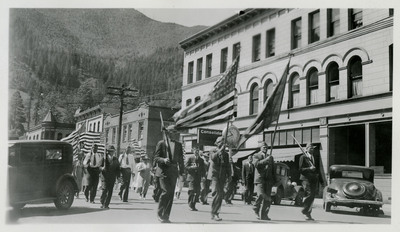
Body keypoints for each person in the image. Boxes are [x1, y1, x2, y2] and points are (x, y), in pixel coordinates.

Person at [154, 126, 184, 223]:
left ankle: (166, 216)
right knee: (166, 191)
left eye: (176, 132)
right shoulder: (161, 143)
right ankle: (160, 214)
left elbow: (181, 160)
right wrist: (163, 160)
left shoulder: (179, 145)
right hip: (163, 171)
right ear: (168, 133)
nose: (175, 134)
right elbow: (156, 158)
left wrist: (182, 172)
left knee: (171, 194)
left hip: (173, 171)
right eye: (173, 132)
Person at [208, 136, 232, 221]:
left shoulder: (226, 154)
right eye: (219, 142)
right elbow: (213, 158)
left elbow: (227, 166)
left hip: (222, 176)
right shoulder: (213, 150)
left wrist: (229, 175)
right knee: (216, 193)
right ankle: (213, 213)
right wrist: (220, 150)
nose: (221, 143)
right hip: (215, 176)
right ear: (216, 143)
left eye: (222, 142)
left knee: (220, 195)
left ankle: (216, 213)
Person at [299, 143, 324, 221]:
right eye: (310, 148)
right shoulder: (303, 157)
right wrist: (309, 168)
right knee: (309, 194)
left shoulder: (314, 158)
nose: (312, 149)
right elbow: (300, 169)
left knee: (312, 196)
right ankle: (304, 210)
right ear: (306, 149)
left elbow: (318, 170)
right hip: (306, 179)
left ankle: (308, 214)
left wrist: (321, 181)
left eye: (313, 148)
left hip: (313, 180)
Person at [253, 142, 276, 220]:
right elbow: (256, 164)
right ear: (260, 148)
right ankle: (256, 209)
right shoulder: (256, 155)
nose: (265, 148)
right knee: (261, 195)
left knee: (268, 198)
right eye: (264, 147)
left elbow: (273, 169)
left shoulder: (271, 157)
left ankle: (264, 215)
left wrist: (274, 179)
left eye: (266, 147)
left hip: (268, 180)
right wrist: (265, 160)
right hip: (260, 179)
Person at [185, 145, 205, 211]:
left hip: (198, 178)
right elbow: (186, 167)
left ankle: (193, 205)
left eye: (198, 150)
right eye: (195, 150)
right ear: (193, 151)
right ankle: (191, 205)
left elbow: (203, 169)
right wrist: (191, 168)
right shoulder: (190, 158)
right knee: (192, 191)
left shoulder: (201, 160)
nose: (196, 152)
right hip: (191, 177)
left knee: (197, 192)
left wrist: (203, 176)